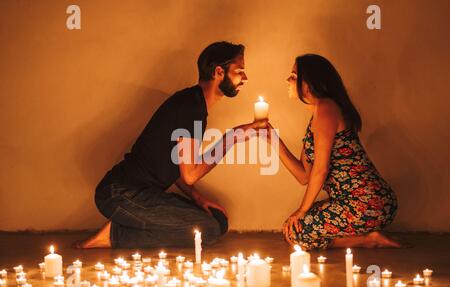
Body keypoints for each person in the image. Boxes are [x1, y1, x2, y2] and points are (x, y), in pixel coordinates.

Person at [74, 41, 267, 249]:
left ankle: (125, 225)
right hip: (119, 193)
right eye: (239, 71)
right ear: (219, 72)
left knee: (217, 222)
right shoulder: (190, 108)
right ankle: (115, 234)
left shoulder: (193, 104)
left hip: (145, 194)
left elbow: (177, 166)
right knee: (208, 230)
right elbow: (190, 174)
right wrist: (233, 137)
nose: (244, 78)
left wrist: (198, 198)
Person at [264, 54, 401, 250]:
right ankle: (369, 237)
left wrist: (302, 211)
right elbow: (304, 175)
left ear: (309, 83)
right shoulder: (316, 116)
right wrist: (271, 138)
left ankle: (369, 239)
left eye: (294, 76)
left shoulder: (326, 108)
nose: (288, 80)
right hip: (348, 202)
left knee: (297, 233)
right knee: (291, 229)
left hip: (369, 203)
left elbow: (321, 170)